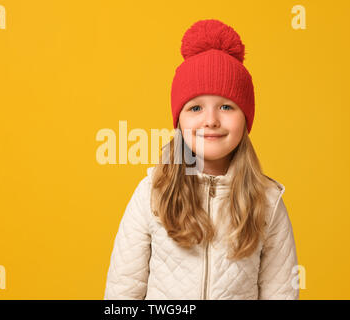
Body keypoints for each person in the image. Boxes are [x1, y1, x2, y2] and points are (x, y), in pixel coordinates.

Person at [104, 19, 299, 300]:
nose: (211, 120)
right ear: (179, 120)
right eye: (195, 107)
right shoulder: (152, 193)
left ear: (246, 119)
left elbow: (281, 293)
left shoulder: (267, 202)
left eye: (226, 106)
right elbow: (122, 290)